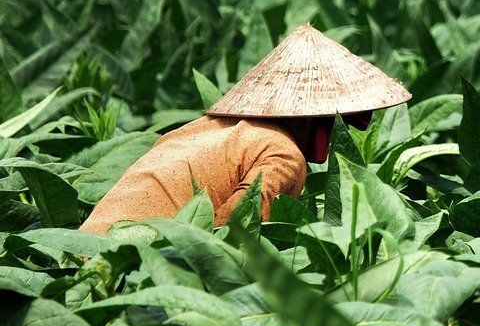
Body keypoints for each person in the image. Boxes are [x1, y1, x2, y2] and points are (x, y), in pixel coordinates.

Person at [80, 23, 410, 234]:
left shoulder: (201, 128)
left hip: (82, 247)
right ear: (315, 118)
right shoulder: (283, 154)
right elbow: (235, 235)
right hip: (133, 261)